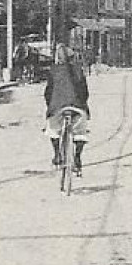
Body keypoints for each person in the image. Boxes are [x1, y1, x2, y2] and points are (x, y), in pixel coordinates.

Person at [44, 44, 90, 175]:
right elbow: (84, 92)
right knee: (81, 133)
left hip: (57, 107)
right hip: (77, 107)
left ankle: (57, 155)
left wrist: (50, 107)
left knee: (53, 130)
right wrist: (83, 104)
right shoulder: (78, 70)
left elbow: (48, 92)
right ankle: (77, 157)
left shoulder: (53, 70)